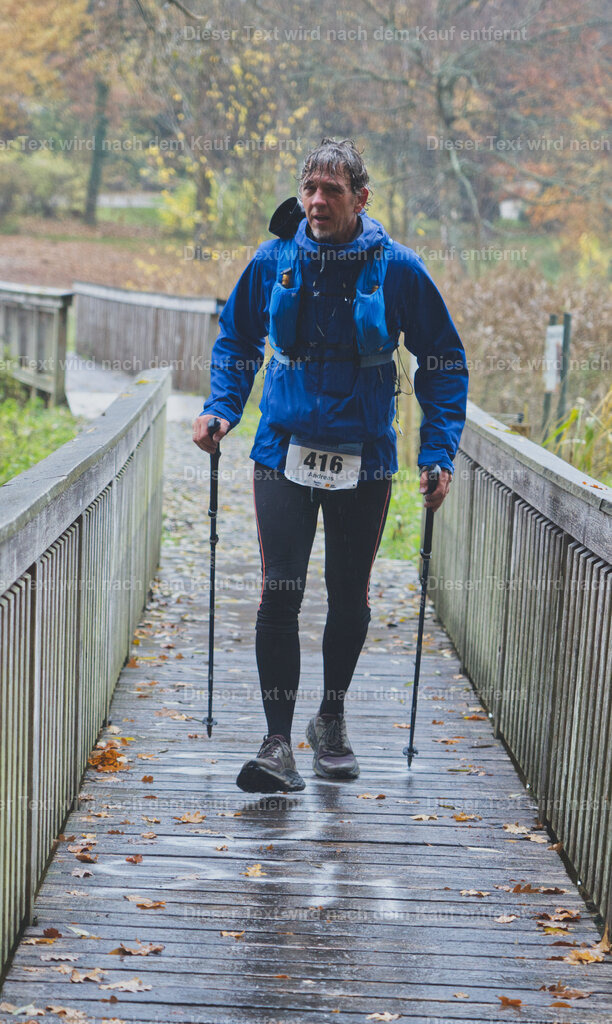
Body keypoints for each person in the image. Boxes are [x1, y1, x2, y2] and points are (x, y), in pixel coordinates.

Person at [192, 138, 468, 794]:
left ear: (361, 198)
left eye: (332, 191)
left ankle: (331, 720)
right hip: (281, 450)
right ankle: (276, 742)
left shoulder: (399, 269)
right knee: (280, 589)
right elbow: (237, 339)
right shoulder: (273, 259)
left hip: (363, 456)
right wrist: (221, 408)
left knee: (348, 595)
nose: (316, 201)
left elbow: (443, 359)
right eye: (309, 188)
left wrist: (438, 451)